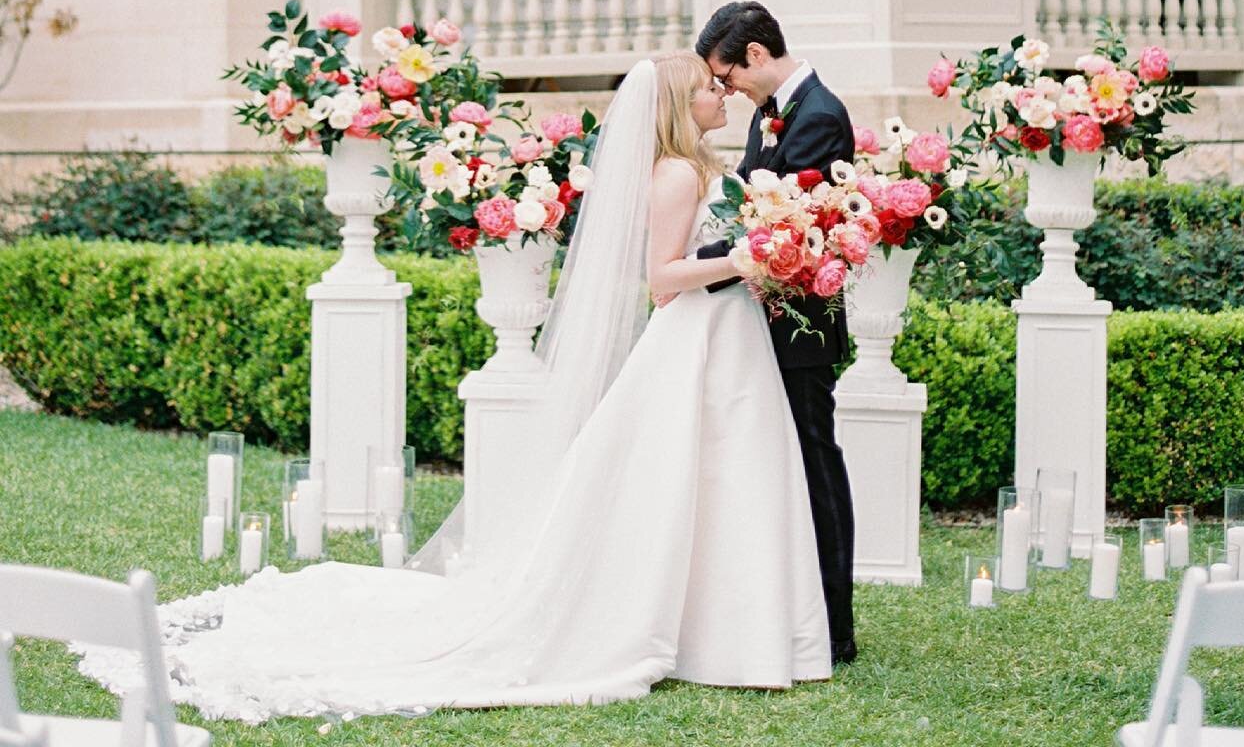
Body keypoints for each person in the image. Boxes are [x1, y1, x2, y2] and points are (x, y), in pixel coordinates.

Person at [75, 53, 831, 722]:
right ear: (676, 106)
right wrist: (746, 259)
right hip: (696, 336)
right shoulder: (674, 173)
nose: (722, 93)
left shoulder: (703, 165)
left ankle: (734, 632)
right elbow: (664, 283)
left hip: (731, 339)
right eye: (707, 88)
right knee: (691, 477)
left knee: (729, 479)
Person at [693, 2, 858, 667]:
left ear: (755, 55)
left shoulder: (819, 115)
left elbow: (774, 229)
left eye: (725, 75)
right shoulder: (772, 112)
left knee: (817, 465)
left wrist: (689, 272)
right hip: (761, 319)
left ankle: (836, 625)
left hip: (802, 330)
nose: (725, 89)